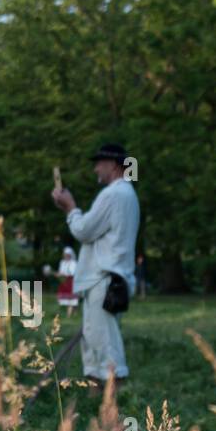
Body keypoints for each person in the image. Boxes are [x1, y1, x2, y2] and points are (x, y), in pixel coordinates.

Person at [51, 142, 140, 386]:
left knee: (105, 342)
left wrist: (70, 208)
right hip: (110, 279)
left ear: (112, 165)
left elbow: (83, 230)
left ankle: (113, 406)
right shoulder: (128, 194)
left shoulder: (113, 194)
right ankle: (95, 397)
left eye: (98, 164)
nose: (95, 170)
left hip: (103, 279)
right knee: (93, 340)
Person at [55, 246, 78, 320]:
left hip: (71, 282)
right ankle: (74, 314)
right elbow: (61, 271)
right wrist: (58, 274)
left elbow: (73, 273)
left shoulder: (73, 263)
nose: (66, 256)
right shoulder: (62, 262)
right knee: (67, 299)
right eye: (65, 254)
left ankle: (69, 316)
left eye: (67, 254)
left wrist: (63, 274)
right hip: (64, 282)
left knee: (71, 299)